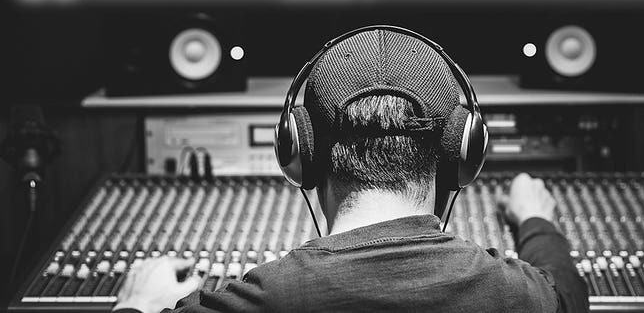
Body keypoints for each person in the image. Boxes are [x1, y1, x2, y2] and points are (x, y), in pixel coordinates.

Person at [112, 27, 589, 312]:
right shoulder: (517, 297)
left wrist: (133, 305)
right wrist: (536, 220)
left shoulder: (257, 301)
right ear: (460, 156)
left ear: (300, 155)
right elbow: (569, 296)